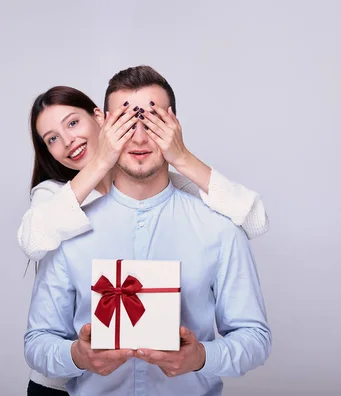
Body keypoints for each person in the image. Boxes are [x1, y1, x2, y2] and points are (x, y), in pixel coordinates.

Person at [24, 66, 271, 396]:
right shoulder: (64, 218)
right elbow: (38, 341)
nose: (139, 137)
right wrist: (76, 355)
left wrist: (203, 357)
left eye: (152, 123)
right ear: (107, 126)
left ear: (173, 128)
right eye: (126, 125)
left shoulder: (217, 223)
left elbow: (254, 336)